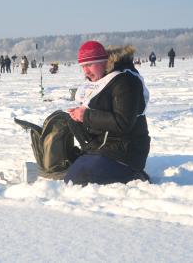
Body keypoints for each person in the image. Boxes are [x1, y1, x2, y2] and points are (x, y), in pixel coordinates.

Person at [64, 41, 151, 186]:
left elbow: (122, 122)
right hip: (104, 146)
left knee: (77, 179)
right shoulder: (101, 81)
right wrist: (77, 117)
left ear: (104, 62)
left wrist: (85, 116)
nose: (86, 71)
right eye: (83, 66)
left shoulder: (125, 82)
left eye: (89, 65)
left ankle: (134, 174)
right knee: (70, 175)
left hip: (127, 151)